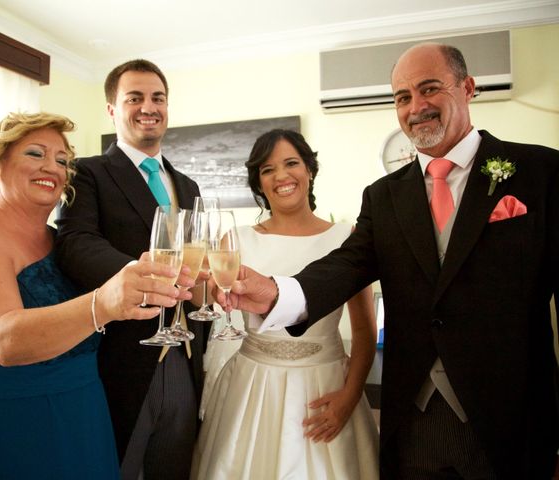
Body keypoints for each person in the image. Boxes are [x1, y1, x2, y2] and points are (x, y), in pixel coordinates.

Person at [221, 43, 559, 479]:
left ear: (468, 88)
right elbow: (346, 266)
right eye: (402, 97)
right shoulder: (383, 196)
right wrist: (277, 292)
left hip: (514, 418)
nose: (416, 107)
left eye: (429, 89)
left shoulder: (540, 172)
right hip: (414, 421)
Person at [0, 112, 192, 479]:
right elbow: (4, 340)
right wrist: (105, 303)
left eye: (62, 160)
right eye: (35, 154)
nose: (53, 167)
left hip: (81, 417)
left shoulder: (62, 242)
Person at [191, 129, 379, 479]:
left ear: (310, 170)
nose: (281, 176)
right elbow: (208, 301)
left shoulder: (345, 238)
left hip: (326, 386)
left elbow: (365, 330)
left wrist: (350, 397)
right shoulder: (235, 238)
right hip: (251, 386)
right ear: (258, 183)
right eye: (267, 169)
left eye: (291, 163)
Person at [55, 59, 206, 480]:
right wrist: (144, 276)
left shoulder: (188, 186)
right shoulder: (86, 173)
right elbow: (75, 243)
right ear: (111, 109)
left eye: (157, 97)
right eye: (134, 98)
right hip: (119, 358)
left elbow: (196, 259)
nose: (148, 107)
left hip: (186, 353)